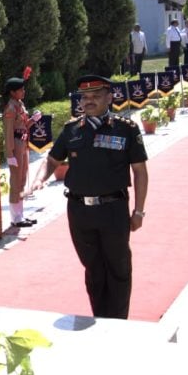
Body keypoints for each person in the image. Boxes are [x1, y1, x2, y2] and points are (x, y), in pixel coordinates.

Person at [30, 75, 148, 319]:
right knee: (93, 269)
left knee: (118, 268)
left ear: (109, 97)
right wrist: (40, 179)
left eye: (95, 96)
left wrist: (139, 211)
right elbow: (52, 160)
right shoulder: (72, 130)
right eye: (85, 97)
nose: (89, 101)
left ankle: (117, 322)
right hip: (79, 211)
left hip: (113, 210)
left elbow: (139, 171)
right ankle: (100, 317)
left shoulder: (125, 129)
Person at [2, 69, 42, 228]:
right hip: (16, 145)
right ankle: (15, 217)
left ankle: (20, 215)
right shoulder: (10, 109)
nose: (23, 91)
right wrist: (9, 153)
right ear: (13, 92)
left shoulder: (20, 105)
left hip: (23, 143)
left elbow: (24, 125)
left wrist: (33, 119)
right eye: (21, 89)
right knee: (16, 180)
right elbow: (8, 132)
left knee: (22, 180)